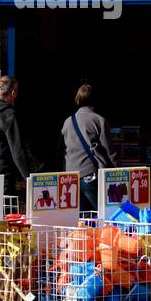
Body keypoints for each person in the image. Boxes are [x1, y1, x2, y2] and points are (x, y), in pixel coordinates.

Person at [62, 84, 115, 216]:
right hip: (91, 174)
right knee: (103, 215)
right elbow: (110, 151)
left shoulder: (68, 121)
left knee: (80, 218)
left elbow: (62, 149)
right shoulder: (99, 120)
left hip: (71, 177)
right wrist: (117, 172)